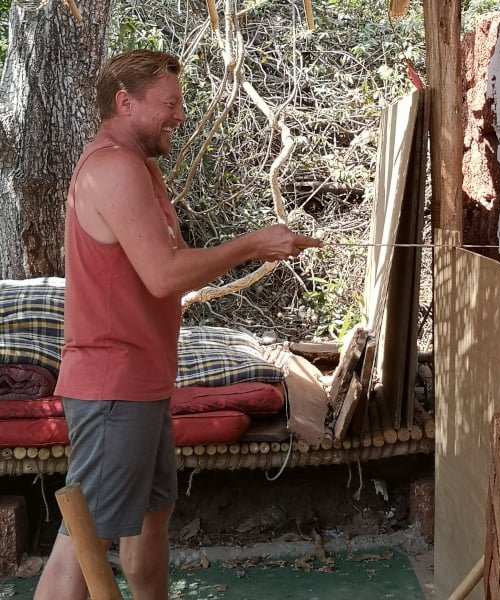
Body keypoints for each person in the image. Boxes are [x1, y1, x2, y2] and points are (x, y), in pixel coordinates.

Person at [34, 49, 321, 600]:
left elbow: (173, 267)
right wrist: (253, 244)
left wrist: (253, 247)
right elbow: (165, 275)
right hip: (114, 386)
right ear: (125, 103)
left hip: (141, 383)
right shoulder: (113, 167)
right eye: (170, 103)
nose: (181, 116)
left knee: (151, 519)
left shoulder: (138, 166)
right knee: (85, 540)